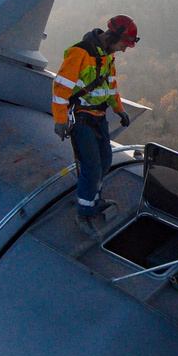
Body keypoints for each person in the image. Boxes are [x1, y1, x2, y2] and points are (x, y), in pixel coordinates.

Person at [53, 14, 138, 235]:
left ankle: (92, 200)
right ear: (111, 37)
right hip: (81, 117)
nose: (124, 49)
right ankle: (84, 213)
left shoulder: (106, 56)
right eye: (123, 44)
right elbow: (61, 88)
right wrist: (60, 120)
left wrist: (119, 110)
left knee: (105, 160)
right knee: (91, 166)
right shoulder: (79, 53)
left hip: (98, 116)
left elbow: (110, 87)